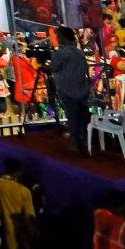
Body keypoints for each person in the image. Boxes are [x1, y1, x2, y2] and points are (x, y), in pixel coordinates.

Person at [50, 26, 92, 154]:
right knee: (82, 116)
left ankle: (74, 143)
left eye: (58, 36)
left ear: (63, 37)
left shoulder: (62, 52)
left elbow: (53, 67)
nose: (57, 38)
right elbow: (85, 68)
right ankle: (84, 141)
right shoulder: (79, 52)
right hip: (82, 89)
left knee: (72, 116)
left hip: (67, 89)